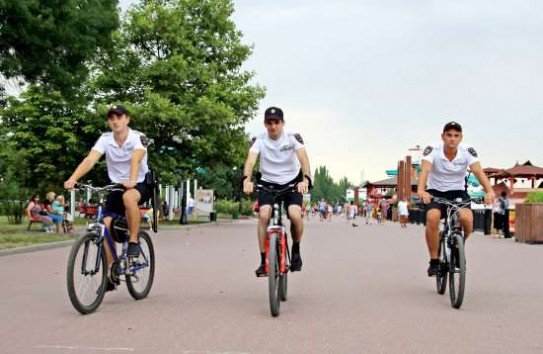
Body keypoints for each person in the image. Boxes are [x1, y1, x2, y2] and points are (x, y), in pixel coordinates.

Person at [64, 105, 151, 291]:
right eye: (111, 118)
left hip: (140, 183)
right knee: (104, 225)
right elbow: (90, 159)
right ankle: (111, 272)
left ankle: (134, 241)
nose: (115, 121)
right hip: (117, 186)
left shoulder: (138, 137)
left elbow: (136, 158)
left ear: (127, 119)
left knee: (129, 199)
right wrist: (73, 178)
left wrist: (132, 179)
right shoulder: (105, 139)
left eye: (119, 117)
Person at [418, 122, 495, 277]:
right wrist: (421, 190)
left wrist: (489, 191)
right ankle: (434, 261)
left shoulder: (467, 151)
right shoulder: (433, 150)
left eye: (456, 136)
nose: (452, 139)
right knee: (432, 218)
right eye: (449, 135)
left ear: (461, 138)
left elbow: (478, 171)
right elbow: (425, 170)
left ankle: (458, 247)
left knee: (467, 220)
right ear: (443, 137)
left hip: (458, 191)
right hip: (435, 191)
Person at [242, 106, 311, 277]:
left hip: (291, 183)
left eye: (276, 122)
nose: (273, 126)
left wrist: (306, 179)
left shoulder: (292, 138)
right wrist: (246, 180)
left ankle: (295, 249)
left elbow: (303, 159)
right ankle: (263, 260)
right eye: (269, 123)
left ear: (282, 123)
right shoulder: (259, 139)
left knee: (295, 215)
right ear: (265, 124)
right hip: (268, 183)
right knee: (264, 215)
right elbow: (250, 162)